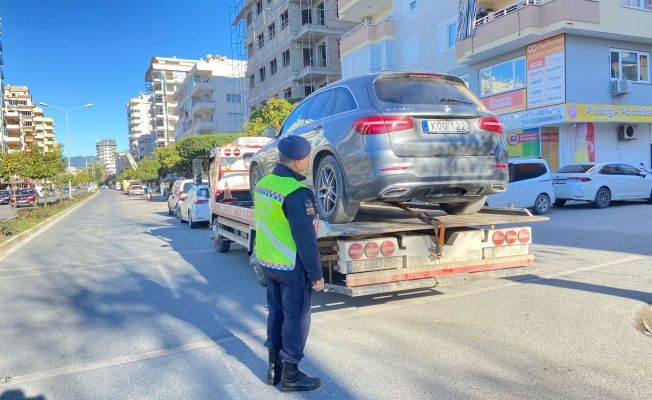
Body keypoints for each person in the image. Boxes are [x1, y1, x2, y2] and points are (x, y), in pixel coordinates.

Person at [253, 135, 324, 393]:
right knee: (296, 319)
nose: (307, 161)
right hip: (292, 266)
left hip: (270, 263)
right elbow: (305, 240)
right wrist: (316, 275)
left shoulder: (263, 184)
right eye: (306, 157)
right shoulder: (296, 192)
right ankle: (291, 376)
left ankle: (274, 371)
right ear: (297, 161)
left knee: (276, 314)